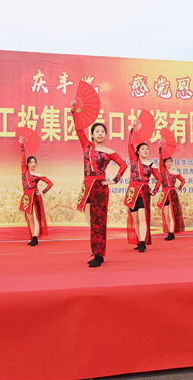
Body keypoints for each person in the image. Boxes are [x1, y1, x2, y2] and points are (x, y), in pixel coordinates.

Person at [71, 101, 127, 267]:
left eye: (103, 131)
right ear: (92, 134)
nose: (100, 133)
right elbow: (78, 129)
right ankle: (96, 251)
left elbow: (123, 165)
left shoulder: (109, 151)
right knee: (92, 222)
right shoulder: (86, 146)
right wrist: (74, 111)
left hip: (100, 188)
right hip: (86, 187)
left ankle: (98, 255)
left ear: (105, 134)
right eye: (97, 131)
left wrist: (114, 180)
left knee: (99, 222)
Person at [125, 131, 162, 252]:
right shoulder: (134, 160)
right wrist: (132, 131)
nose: (146, 151)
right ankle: (139, 240)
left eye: (147, 149)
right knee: (135, 219)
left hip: (143, 192)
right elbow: (129, 145)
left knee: (142, 218)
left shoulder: (151, 165)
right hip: (132, 192)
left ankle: (142, 242)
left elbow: (159, 179)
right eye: (143, 149)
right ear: (138, 151)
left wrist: (154, 191)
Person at [19, 140, 53, 246]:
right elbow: (22, 157)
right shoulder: (24, 172)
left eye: (34, 162)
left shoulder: (38, 174)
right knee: (30, 219)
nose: (33, 164)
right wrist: (22, 146)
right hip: (26, 198)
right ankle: (33, 238)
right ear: (27, 164)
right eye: (31, 162)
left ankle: (35, 238)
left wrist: (43, 192)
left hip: (35, 197)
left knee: (36, 218)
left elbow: (50, 183)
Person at [153, 146, 186, 241]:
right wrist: (160, 148)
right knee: (166, 215)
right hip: (164, 195)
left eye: (170, 161)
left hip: (172, 194)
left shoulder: (175, 172)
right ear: (164, 163)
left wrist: (178, 188)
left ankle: (171, 233)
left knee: (172, 215)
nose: (169, 163)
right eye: (167, 162)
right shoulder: (163, 170)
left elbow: (183, 181)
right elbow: (160, 159)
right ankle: (169, 232)